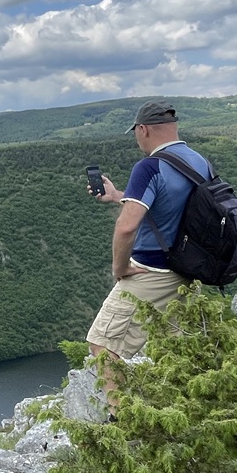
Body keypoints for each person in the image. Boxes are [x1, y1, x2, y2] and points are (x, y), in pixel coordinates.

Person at [85, 100, 209, 412]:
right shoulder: (198, 161)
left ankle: (122, 418)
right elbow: (172, 209)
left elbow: (127, 227)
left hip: (153, 273)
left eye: (136, 133)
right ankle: (185, 412)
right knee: (176, 348)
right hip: (189, 270)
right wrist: (118, 196)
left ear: (143, 129)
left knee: (103, 342)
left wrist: (120, 267)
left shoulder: (149, 167)